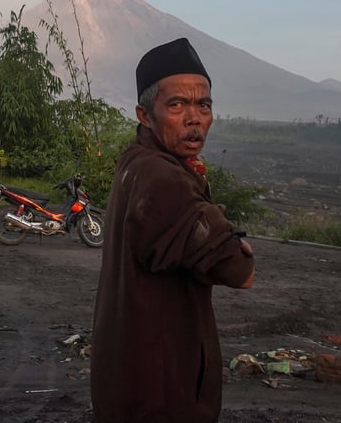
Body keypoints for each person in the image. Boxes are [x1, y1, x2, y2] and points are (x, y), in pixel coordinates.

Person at [91, 37, 256, 423]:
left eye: (204, 105)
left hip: (130, 374)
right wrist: (232, 240)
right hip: (161, 387)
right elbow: (240, 271)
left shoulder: (136, 161)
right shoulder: (163, 178)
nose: (194, 118)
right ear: (145, 115)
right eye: (177, 105)